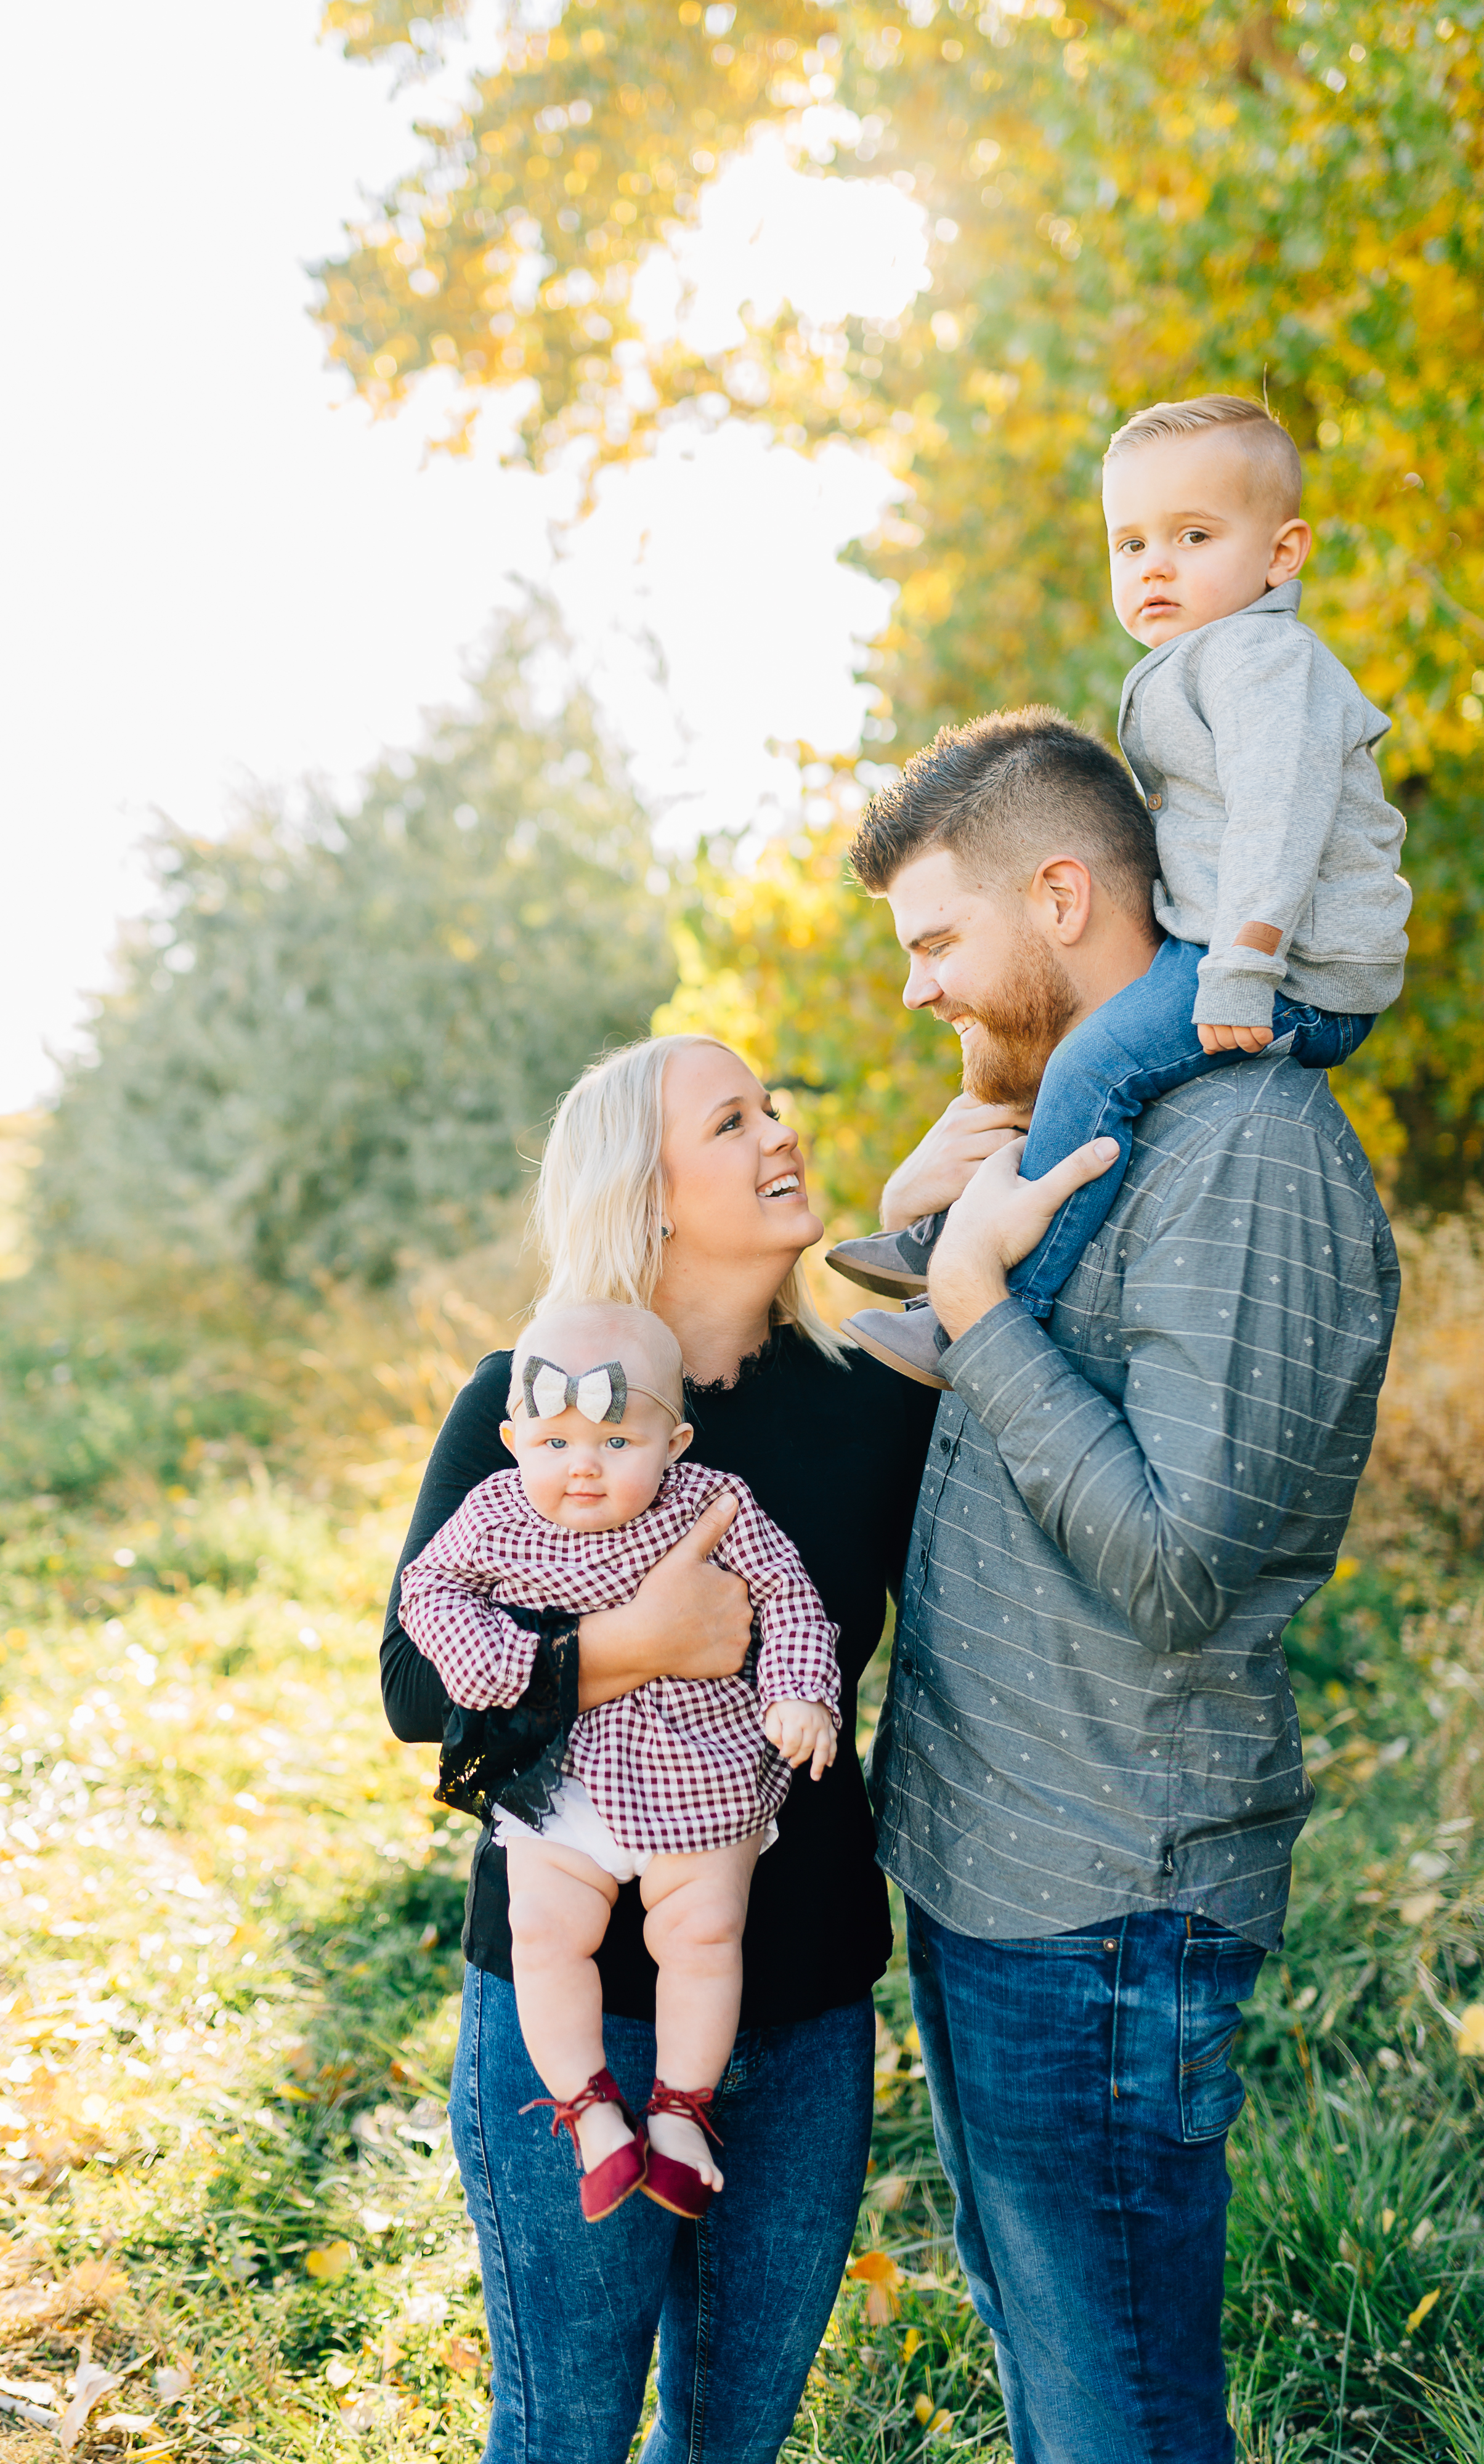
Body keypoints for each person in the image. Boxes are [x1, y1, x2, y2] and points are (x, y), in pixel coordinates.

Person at [843, 709, 1399, 2462]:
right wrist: (931, 1241)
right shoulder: (1068, 1132)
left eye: (939, 939)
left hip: (1105, 1897)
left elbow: (1174, 1566)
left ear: (1064, 892)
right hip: (981, 1860)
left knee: (1118, 2422)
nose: (921, 987)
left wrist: (981, 1319)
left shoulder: (1245, 1151)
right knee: (1049, 2373)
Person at [379, 1032, 938, 2464]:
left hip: (804, 1990)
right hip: (575, 2006)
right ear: (649, 1191)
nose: (781, 1131)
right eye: (733, 1118)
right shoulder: (535, 1400)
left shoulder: (872, 1409)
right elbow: (406, 1686)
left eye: (775, 1102)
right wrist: (636, 1640)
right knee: (564, 2430)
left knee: (731, 2440)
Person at [831, 392, 1409, 1380]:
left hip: (1291, 971)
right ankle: (945, 1239)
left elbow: (1284, 811)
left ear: (1282, 554)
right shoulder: (1201, 662)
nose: (1154, 566)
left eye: (1192, 536)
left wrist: (1244, 966)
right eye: (1129, 543)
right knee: (1080, 1062)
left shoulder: (1262, 658)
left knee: (1093, 1068)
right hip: (1237, 954)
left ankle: (970, 1305)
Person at [397, 1297, 840, 2224]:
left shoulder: (717, 1505)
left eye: (614, 1442)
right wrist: (502, 1662)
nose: (583, 1467)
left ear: (674, 1442)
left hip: (699, 1766)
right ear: (515, 1439)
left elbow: (794, 1603)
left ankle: (681, 2113)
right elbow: (426, 1591)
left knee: (703, 1934)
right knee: (547, 1933)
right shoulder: (492, 1512)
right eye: (555, 1445)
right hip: (564, 1777)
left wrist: (800, 1693)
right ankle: (591, 2110)